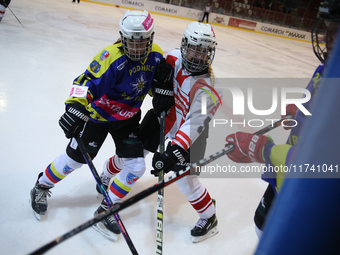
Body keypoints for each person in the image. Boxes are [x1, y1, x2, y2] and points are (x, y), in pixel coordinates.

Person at [29, 10, 164, 239]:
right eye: (131, 41)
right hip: (96, 117)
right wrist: (75, 105)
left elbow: (150, 86)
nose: (137, 48)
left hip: (127, 118)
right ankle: (41, 186)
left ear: (150, 39)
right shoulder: (110, 57)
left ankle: (106, 209)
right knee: (74, 161)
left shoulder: (157, 56)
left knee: (136, 166)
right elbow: (85, 83)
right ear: (122, 38)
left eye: (142, 42)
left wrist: (163, 92)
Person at [225, 0, 340, 239]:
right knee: (262, 225)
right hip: (285, 174)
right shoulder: (327, 66)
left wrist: (262, 150)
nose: (327, 37)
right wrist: (301, 109)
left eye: (336, 29)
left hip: (310, 193)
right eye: (327, 27)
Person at [101, 21, 222, 243]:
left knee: (186, 181)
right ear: (184, 45)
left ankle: (209, 217)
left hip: (188, 138)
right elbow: (151, 83)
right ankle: (106, 178)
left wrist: (172, 150)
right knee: (132, 155)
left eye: (203, 51)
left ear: (210, 53)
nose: (197, 55)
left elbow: (194, 124)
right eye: (194, 48)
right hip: (161, 119)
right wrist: (158, 89)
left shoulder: (211, 89)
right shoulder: (173, 57)